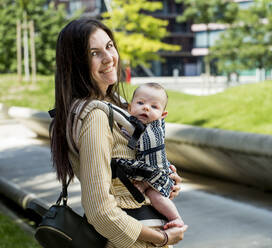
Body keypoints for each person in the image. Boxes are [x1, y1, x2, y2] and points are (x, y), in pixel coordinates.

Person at [50, 18, 188, 248]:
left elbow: (122, 178)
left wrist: (159, 181)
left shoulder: (116, 107)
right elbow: (99, 211)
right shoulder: (94, 116)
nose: (108, 58)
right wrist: (162, 237)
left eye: (109, 46)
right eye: (94, 53)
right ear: (76, 62)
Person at [122, 83, 184, 229]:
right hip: (150, 172)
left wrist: (145, 183)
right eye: (140, 103)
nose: (146, 108)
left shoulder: (154, 133)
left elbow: (154, 163)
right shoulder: (135, 125)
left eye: (154, 107)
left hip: (157, 172)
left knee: (155, 196)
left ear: (162, 115)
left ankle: (176, 218)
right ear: (130, 107)